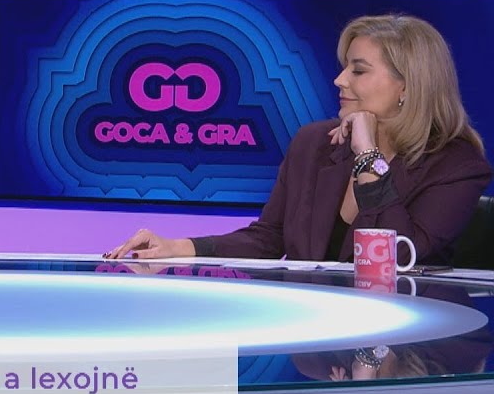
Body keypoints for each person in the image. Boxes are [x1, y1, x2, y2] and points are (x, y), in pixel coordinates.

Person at [107, 14, 491, 264]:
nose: (340, 80)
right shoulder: (315, 143)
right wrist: (179, 247)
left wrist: (368, 154)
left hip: (409, 346)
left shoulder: (455, 165)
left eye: (358, 71)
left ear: (406, 86)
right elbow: (269, 238)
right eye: (344, 68)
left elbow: (395, 258)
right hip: (316, 343)